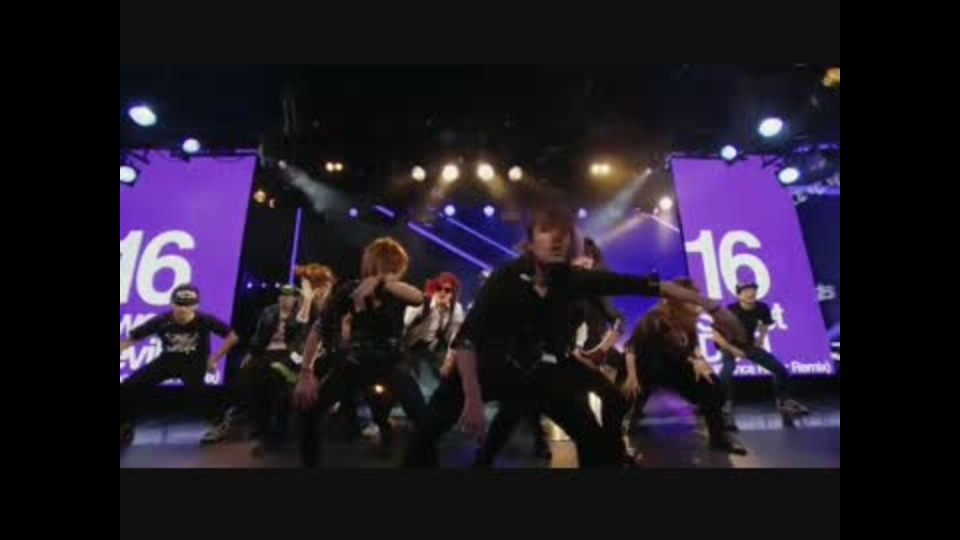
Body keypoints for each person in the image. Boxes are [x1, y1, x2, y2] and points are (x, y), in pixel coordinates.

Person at [403, 199, 745, 468]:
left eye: (563, 234)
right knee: (426, 435)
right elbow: (467, 337)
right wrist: (473, 399)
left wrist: (711, 306)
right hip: (486, 368)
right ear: (530, 241)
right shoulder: (506, 277)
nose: (556, 238)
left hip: (540, 371)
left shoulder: (573, 279)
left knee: (596, 439)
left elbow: (645, 285)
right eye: (546, 231)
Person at [294, 237, 430, 467]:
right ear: (378, 263)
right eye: (393, 267)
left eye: (398, 268)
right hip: (357, 361)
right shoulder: (349, 289)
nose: (397, 272)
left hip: (392, 363)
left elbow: (418, 298)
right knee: (309, 411)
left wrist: (382, 282)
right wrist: (306, 373)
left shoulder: (397, 290)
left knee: (424, 419)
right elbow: (319, 328)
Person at [622, 278, 747, 455]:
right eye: (690, 298)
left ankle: (718, 438)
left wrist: (699, 361)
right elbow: (631, 347)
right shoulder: (655, 318)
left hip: (673, 366)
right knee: (631, 395)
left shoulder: (688, 319)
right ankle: (629, 425)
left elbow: (691, 346)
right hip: (646, 367)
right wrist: (632, 376)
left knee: (710, 383)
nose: (695, 302)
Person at [119, 285, 239, 448]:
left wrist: (214, 359)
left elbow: (232, 337)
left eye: (187, 306)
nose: (182, 310)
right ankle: (124, 425)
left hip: (193, 363)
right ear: (172, 304)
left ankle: (220, 424)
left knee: (197, 392)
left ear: (196, 305)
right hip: (167, 361)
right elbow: (132, 339)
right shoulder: (162, 320)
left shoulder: (204, 320)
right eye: (179, 305)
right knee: (129, 386)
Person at [202, 286, 307, 452]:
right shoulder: (269, 311)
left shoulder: (301, 313)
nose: (284, 299)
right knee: (243, 380)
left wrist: (294, 361)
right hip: (265, 352)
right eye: (282, 296)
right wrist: (250, 354)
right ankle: (248, 424)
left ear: (295, 299)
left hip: (289, 354)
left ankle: (278, 432)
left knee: (277, 383)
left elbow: (301, 340)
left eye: (289, 296)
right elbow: (258, 336)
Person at [713, 283, 809, 430]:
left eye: (753, 290)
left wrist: (761, 338)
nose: (750, 293)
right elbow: (715, 334)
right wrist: (732, 349)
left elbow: (765, 323)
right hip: (729, 345)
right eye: (746, 291)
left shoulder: (762, 307)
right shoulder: (730, 310)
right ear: (739, 295)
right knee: (726, 372)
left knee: (780, 370)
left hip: (748, 345)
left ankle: (783, 401)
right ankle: (725, 403)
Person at [404, 272, 466, 383]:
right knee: (408, 376)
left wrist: (448, 362)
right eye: (439, 288)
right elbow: (405, 323)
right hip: (411, 344)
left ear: (453, 293)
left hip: (432, 348)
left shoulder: (456, 309)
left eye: (447, 290)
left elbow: (455, 337)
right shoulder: (423, 301)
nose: (442, 292)